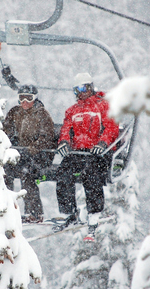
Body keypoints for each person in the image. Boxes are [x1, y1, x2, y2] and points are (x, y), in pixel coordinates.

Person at [54, 73, 119, 240]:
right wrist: (64, 143)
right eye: (78, 89)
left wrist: (103, 144)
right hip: (78, 152)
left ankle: (94, 212)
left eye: (84, 88)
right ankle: (69, 211)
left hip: (98, 153)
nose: (81, 92)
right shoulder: (72, 110)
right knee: (63, 173)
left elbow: (111, 128)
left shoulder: (103, 106)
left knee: (91, 174)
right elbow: (66, 130)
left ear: (91, 87)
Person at [3, 84, 57, 223]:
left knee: (27, 173)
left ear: (35, 98)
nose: (25, 102)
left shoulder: (41, 114)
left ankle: (34, 212)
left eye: (29, 98)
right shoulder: (15, 112)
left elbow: (47, 137)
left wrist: (32, 149)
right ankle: (5, 208)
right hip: (20, 154)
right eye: (21, 98)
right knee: (5, 171)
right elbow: (5, 131)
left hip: (39, 155)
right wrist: (10, 144)